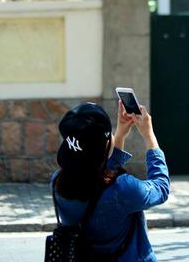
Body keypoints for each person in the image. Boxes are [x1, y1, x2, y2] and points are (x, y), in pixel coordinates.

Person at [50, 99, 170, 261]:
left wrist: (120, 135)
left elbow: (98, 176)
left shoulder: (57, 182)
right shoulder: (124, 189)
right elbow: (161, 188)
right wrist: (149, 136)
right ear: (107, 143)